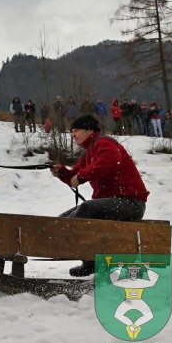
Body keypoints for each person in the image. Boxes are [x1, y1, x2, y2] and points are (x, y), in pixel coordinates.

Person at [51, 114, 149, 277]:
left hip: (130, 203)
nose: (73, 135)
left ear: (89, 130)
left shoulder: (103, 142)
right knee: (62, 220)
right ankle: (86, 258)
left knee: (87, 208)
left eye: (76, 130)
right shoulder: (87, 153)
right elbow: (75, 176)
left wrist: (83, 176)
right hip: (114, 204)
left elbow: (111, 161)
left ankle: (91, 263)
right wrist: (62, 173)